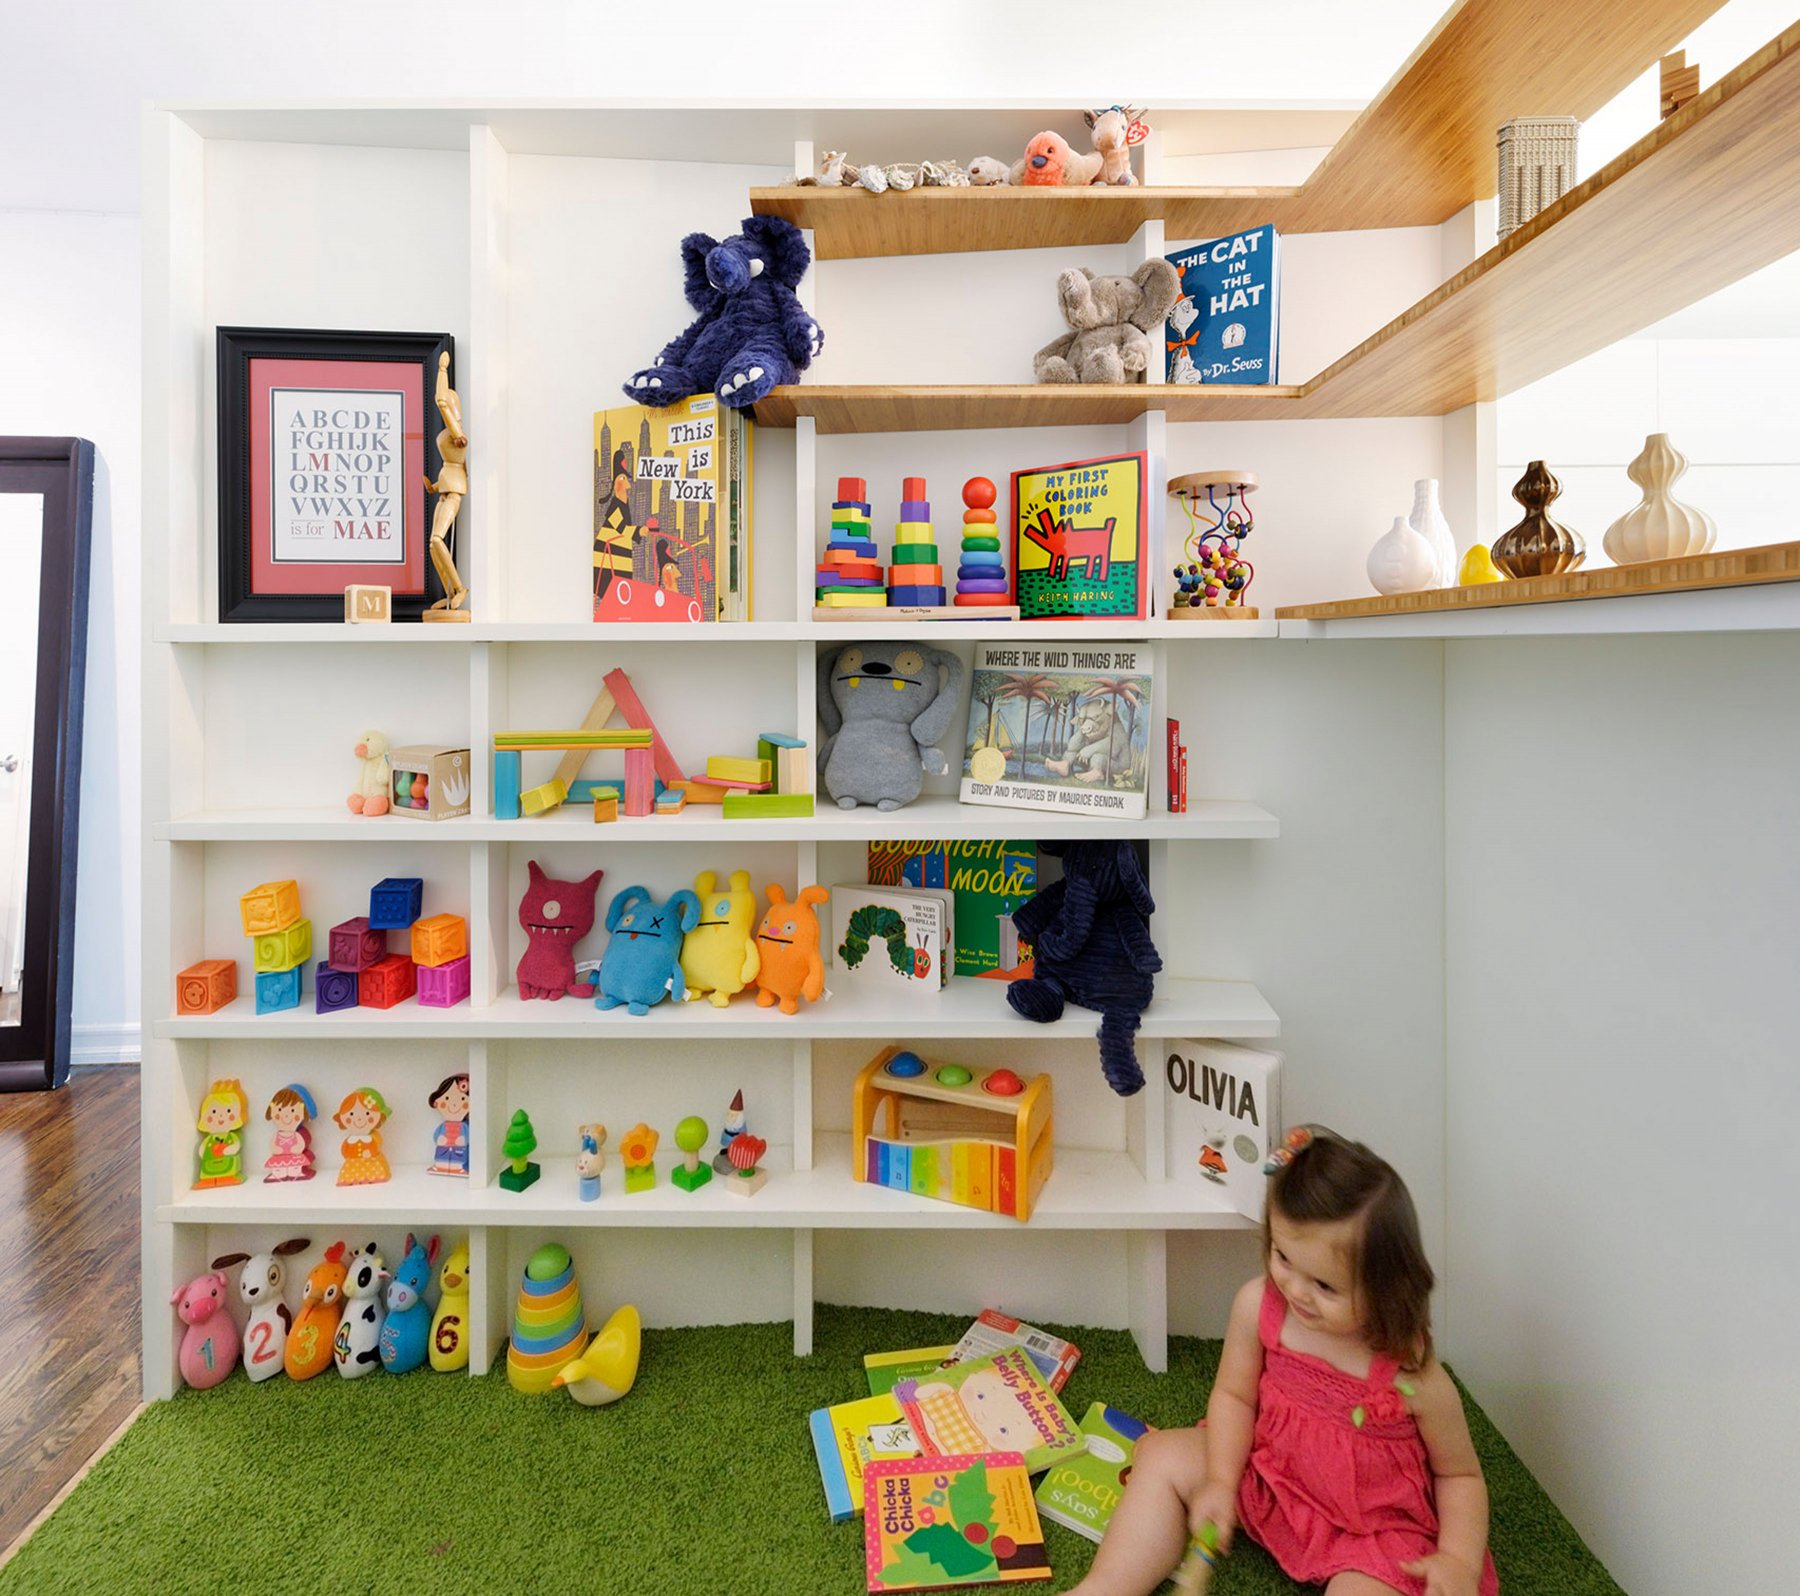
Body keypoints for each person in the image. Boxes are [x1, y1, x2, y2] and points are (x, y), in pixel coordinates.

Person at [1070, 1128, 1497, 1596]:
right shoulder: (1259, 1306)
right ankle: (1106, 1586)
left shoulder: (1409, 1372)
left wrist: (1458, 1560)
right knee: (1162, 1456)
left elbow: (1459, 1474)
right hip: (1270, 1477)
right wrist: (1220, 1480)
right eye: (1282, 1257)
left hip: (1369, 1530)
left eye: (1325, 1286)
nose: (1295, 1290)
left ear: (1386, 1287)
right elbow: (1234, 1396)